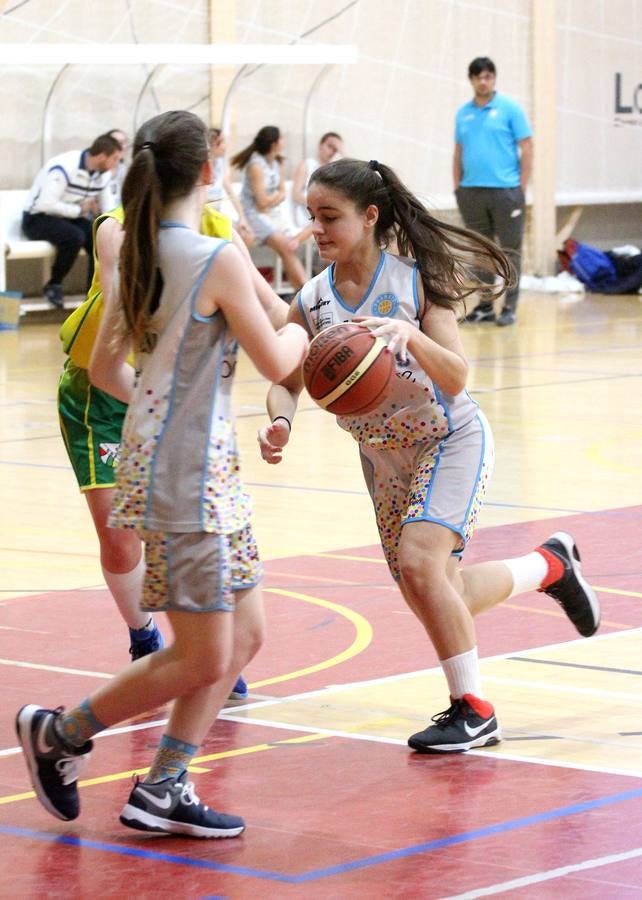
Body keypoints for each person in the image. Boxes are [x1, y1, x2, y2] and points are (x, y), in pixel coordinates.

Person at [16, 109, 309, 837]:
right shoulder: (216, 258)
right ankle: (58, 733)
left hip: (197, 467)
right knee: (205, 652)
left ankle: (163, 786)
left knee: (244, 636)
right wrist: (312, 324)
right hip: (186, 475)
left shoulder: (137, 248)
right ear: (208, 170)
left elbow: (103, 364)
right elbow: (280, 359)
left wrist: (158, 406)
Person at [258, 158, 600, 754]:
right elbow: (286, 377)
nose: (317, 229)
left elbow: (460, 375)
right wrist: (281, 420)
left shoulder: (415, 281)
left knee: (421, 565)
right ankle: (550, 567)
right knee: (443, 593)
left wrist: (409, 335)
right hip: (383, 460)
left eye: (330, 216)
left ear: (369, 217)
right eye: (312, 217)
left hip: (449, 438)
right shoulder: (312, 301)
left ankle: (474, 709)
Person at [453, 57, 533, 327]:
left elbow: (528, 147)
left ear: (494, 79)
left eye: (488, 76)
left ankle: (509, 307)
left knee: (510, 251)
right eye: (478, 77)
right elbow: (458, 152)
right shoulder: (463, 113)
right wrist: (458, 186)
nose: (483, 81)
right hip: (471, 192)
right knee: (481, 252)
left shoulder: (510, 109)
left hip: (506, 192)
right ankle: (485, 306)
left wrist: (520, 186)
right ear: (471, 80)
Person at [22, 133, 123, 309]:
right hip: (37, 218)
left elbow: (108, 207)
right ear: (102, 156)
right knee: (74, 237)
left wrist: (113, 225)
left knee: (100, 239)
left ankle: (93, 296)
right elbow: (45, 204)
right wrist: (79, 210)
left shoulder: (103, 175)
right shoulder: (64, 167)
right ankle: (54, 284)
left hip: (70, 218)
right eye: (115, 159)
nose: (116, 165)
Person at [231, 125, 308, 291]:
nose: (283, 142)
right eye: (281, 138)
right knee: (285, 246)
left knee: (290, 244)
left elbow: (281, 193)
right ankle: (304, 290)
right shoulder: (255, 166)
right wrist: (275, 198)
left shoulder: (277, 162)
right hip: (252, 215)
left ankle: (301, 290)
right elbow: (261, 203)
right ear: (274, 144)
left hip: (272, 214)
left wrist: (272, 199)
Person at [207, 128, 254, 246]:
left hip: (216, 215)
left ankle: (239, 264)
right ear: (212, 145)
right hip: (205, 216)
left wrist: (242, 218)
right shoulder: (200, 166)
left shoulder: (220, 164)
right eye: (222, 142)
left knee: (247, 235)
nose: (225, 146)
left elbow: (231, 193)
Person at [291, 131, 344, 226]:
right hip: (306, 213)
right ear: (320, 145)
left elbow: (354, 173)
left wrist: (342, 152)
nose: (332, 151)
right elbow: (295, 194)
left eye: (335, 149)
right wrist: (318, 207)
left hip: (326, 215)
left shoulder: (334, 171)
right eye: (330, 146)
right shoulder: (307, 164)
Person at [106, 128, 130, 208]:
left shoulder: (123, 169)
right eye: (117, 143)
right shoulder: (98, 169)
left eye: (124, 142)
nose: (122, 146)